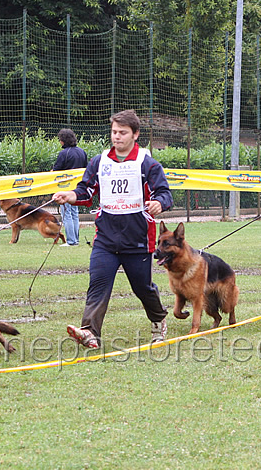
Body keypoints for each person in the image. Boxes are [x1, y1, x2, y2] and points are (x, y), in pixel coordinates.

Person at [53, 110, 173, 347]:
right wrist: (70, 195)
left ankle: (159, 319)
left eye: (122, 133)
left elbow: (165, 193)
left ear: (135, 134)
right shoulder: (99, 162)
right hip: (105, 240)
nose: (116, 137)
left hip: (137, 240)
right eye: (114, 132)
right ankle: (90, 332)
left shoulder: (148, 164)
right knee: (98, 285)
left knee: (143, 288)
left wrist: (159, 203)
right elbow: (86, 190)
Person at [52, 128, 88, 246]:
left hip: (66, 188)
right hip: (77, 188)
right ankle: (75, 239)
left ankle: (71, 241)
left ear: (63, 140)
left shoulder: (64, 153)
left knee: (67, 214)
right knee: (74, 213)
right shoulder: (82, 152)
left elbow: (56, 171)